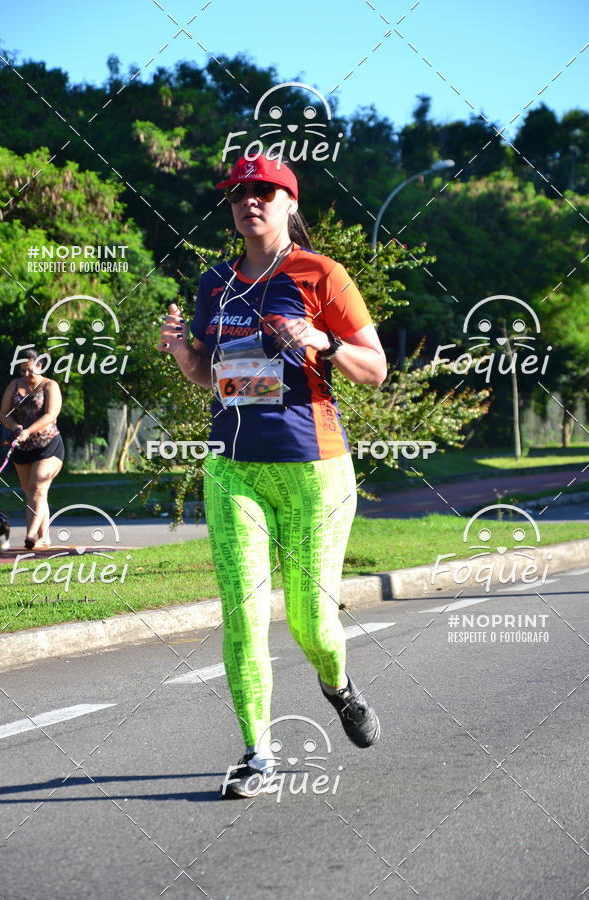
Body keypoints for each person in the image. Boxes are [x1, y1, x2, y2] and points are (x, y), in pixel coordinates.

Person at [158, 155, 387, 799]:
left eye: (263, 192)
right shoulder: (214, 284)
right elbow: (209, 373)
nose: (248, 202)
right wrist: (182, 351)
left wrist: (322, 341)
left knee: (311, 623)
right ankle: (258, 753)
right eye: (237, 195)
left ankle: (337, 687)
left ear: (289, 201)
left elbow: (376, 368)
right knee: (243, 615)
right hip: (232, 466)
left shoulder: (321, 274)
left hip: (314, 469)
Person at [0, 348, 64, 549]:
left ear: (40, 366)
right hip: (22, 447)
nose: (26, 375)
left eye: (30, 370)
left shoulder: (50, 386)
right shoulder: (14, 385)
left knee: (37, 487)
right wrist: (15, 427)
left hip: (48, 446)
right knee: (33, 493)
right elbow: (4, 414)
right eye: (22, 370)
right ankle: (44, 537)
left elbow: (50, 415)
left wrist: (29, 430)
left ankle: (31, 536)